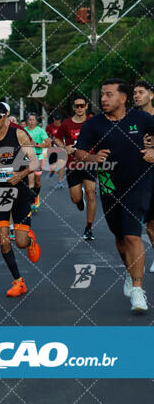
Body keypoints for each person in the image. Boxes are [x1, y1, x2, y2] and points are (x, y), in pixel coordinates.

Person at [75, 79, 154, 313]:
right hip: (110, 186)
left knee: (132, 236)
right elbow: (79, 151)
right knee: (120, 239)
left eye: (109, 95)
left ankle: (138, 291)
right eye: (102, 95)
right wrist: (91, 158)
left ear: (123, 98)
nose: (104, 99)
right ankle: (131, 274)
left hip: (140, 183)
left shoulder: (142, 119)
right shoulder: (94, 125)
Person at [0, 102, 40, 297]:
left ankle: (29, 241)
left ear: (5, 117)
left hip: (20, 193)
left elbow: (35, 162)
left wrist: (20, 175)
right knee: (4, 241)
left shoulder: (18, 134)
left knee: (19, 242)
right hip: (0, 194)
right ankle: (18, 281)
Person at [55, 96, 97, 240]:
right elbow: (57, 139)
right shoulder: (66, 124)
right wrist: (64, 147)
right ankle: (79, 201)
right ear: (73, 107)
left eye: (82, 106)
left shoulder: (92, 123)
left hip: (89, 163)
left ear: (86, 107)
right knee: (75, 197)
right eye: (77, 106)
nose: (79, 108)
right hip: (73, 165)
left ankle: (89, 227)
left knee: (91, 193)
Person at [133, 80, 154, 272]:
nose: (137, 95)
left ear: (151, 95)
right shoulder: (131, 120)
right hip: (140, 174)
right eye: (134, 93)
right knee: (150, 224)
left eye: (141, 92)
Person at [23, 113, 51, 210]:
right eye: (30, 120)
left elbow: (48, 144)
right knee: (30, 180)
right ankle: (31, 203)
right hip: (27, 158)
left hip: (38, 158)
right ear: (27, 121)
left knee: (37, 182)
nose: (31, 122)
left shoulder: (40, 131)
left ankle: (36, 196)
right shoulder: (24, 131)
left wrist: (38, 144)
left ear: (36, 121)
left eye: (33, 120)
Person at [46, 113, 65, 185]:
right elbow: (46, 138)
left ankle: (60, 181)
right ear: (53, 119)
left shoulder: (63, 126)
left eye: (59, 119)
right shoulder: (49, 127)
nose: (57, 121)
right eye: (56, 119)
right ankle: (53, 170)